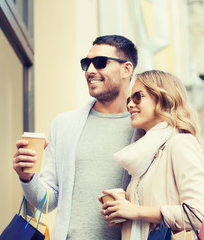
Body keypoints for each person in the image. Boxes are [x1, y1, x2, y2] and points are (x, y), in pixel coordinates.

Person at [13, 35, 138, 240]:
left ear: (126, 69)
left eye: (100, 63)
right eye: (86, 63)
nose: (90, 71)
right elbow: (47, 202)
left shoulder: (143, 129)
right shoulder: (64, 125)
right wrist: (27, 177)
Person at [100, 70, 204, 239]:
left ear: (163, 98)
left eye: (138, 97)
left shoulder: (180, 143)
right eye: (129, 99)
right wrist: (124, 215)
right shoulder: (144, 155)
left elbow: (197, 214)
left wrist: (136, 211)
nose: (130, 105)